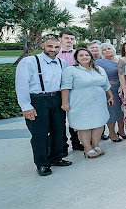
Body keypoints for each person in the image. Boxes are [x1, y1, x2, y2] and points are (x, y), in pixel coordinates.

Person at [15, 37, 72, 176]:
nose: (53, 50)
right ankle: (42, 164)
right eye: (50, 46)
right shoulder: (29, 61)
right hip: (37, 100)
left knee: (58, 130)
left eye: (56, 47)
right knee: (40, 133)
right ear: (43, 46)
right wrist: (26, 106)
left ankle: (56, 158)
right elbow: (21, 85)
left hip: (56, 99)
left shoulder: (63, 63)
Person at [61, 48, 114, 158]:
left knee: (98, 123)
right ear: (76, 58)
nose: (84, 57)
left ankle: (95, 145)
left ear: (91, 57)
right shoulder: (70, 70)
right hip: (80, 102)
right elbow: (65, 87)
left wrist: (111, 96)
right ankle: (87, 148)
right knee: (83, 125)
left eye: (86, 55)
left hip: (98, 101)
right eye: (81, 55)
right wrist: (65, 102)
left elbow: (106, 84)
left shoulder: (99, 69)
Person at [56, 30, 81, 152]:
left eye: (71, 38)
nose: (69, 41)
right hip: (57, 90)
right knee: (59, 121)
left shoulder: (78, 54)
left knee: (75, 118)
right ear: (60, 39)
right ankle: (62, 146)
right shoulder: (54, 53)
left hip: (75, 91)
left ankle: (77, 143)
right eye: (66, 38)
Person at [95, 42, 125, 142]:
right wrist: (106, 82)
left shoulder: (120, 60)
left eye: (109, 48)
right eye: (104, 50)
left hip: (123, 88)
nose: (107, 51)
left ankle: (121, 131)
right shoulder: (99, 62)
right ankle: (112, 133)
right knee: (112, 111)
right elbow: (95, 76)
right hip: (110, 90)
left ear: (113, 50)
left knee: (122, 111)